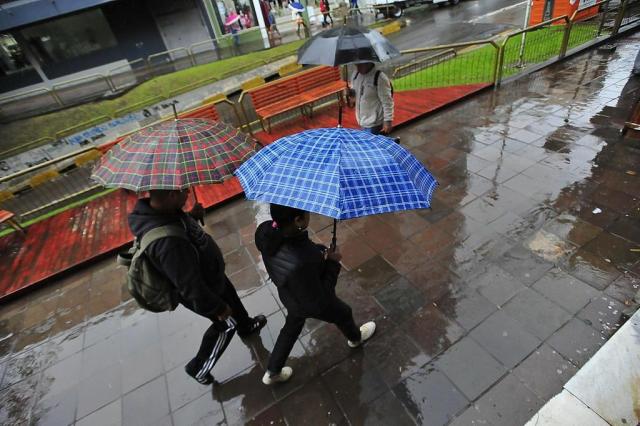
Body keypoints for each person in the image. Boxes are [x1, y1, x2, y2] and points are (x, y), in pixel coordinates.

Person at [128, 189, 267, 385]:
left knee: (231, 296)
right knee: (226, 324)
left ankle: (246, 326)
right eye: (184, 190)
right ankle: (199, 368)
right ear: (171, 195)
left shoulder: (164, 211)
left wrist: (191, 216)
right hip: (203, 289)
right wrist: (216, 308)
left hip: (211, 276)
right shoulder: (168, 243)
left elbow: (179, 227)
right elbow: (190, 287)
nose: (187, 192)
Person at [254, 204, 376, 385]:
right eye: (307, 212)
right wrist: (332, 263)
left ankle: (272, 371)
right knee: (343, 313)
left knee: (290, 329)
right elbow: (321, 296)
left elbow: (296, 250)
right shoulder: (304, 259)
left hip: (290, 295)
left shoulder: (266, 231)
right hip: (309, 300)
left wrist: (317, 251)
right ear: (298, 220)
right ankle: (355, 338)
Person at [348, 62, 395, 136]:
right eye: (356, 65)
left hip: (375, 124)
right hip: (361, 121)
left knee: (375, 146)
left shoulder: (380, 77)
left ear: (368, 62)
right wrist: (350, 95)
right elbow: (354, 92)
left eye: (360, 65)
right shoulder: (355, 75)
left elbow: (387, 101)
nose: (357, 68)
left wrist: (388, 121)